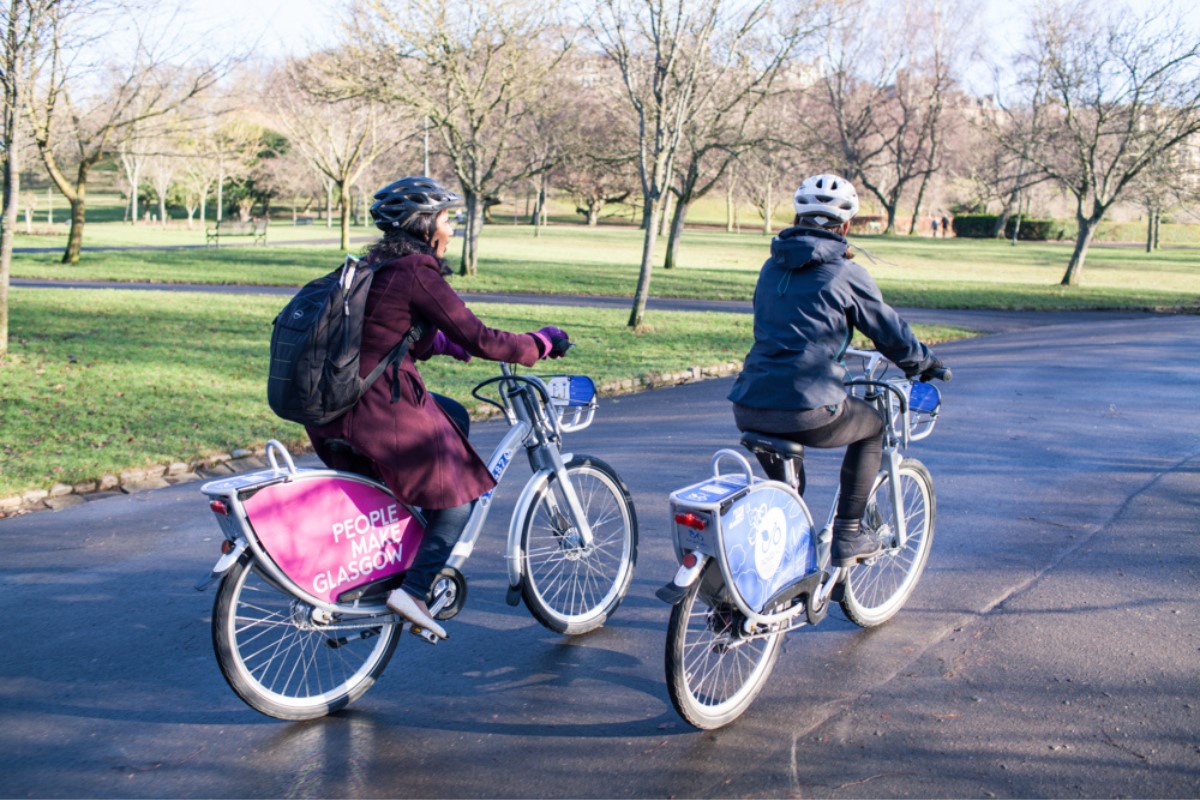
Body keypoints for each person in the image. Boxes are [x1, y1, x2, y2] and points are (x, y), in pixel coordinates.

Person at [305, 176, 569, 641]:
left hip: (334, 410)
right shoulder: (415, 271)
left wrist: (447, 345)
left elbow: (400, 331)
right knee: (460, 493)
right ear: (424, 225)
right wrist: (540, 343)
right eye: (447, 219)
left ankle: (399, 550)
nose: (451, 229)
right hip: (374, 411)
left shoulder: (377, 266)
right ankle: (416, 590)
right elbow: (483, 337)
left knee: (453, 417)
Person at [727, 173, 944, 567]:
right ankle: (847, 535)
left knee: (787, 491)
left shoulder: (770, 268)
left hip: (749, 402)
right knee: (873, 426)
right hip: (808, 407)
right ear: (845, 227)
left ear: (797, 217)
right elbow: (889, 333)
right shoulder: (845, 273)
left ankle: (763, 576)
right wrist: (923, 362)